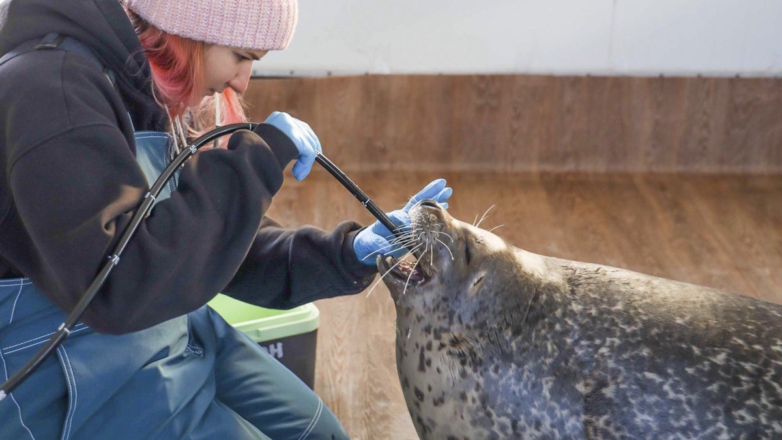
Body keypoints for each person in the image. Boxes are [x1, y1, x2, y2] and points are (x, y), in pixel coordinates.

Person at [0, 0, 452, 439]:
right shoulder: (49, 91)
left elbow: (204, 244)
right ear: (190, 25)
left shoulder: (140, 81)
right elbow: (118, 286)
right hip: (69, 370)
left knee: (319, 433)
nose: (243, 81)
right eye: (240, 56)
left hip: (164, 325)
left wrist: (348, 252)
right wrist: (255, 163)